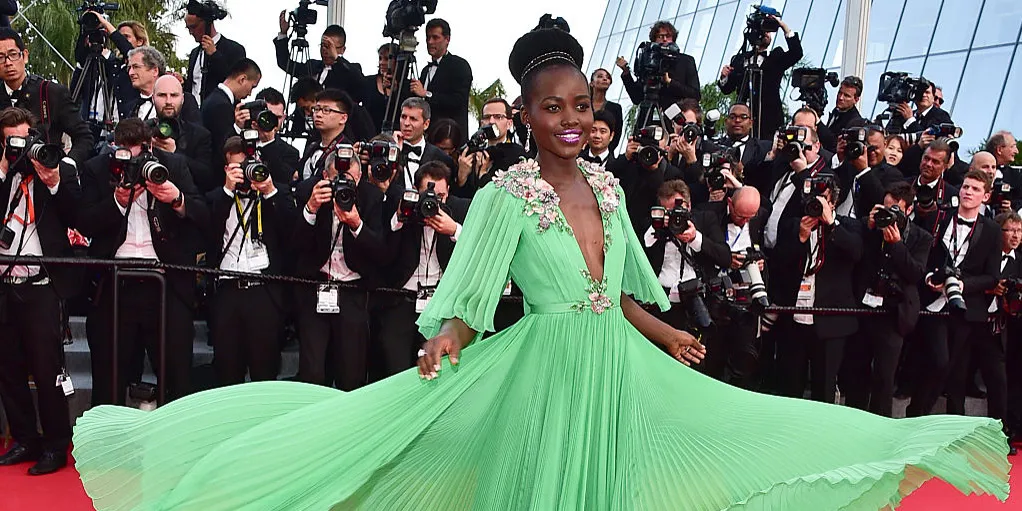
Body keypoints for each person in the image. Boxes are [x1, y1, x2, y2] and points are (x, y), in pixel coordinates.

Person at [71, 22, 1011, 510]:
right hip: (544, 365)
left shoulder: (607, 186)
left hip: (616, 358)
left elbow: (621, 289)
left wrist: (671, 328)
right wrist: (443, 336)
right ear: (526, 115)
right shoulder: (501, 194)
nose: (571, 118)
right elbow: (471, 296)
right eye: (553, 107)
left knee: (732, 443)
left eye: (581, 107)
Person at [78, 118, 208, 405]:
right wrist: (117, 201)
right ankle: (109, 441)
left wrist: (177, 199)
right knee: (109, 376)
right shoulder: (97, 169)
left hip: (167, 283)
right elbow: (84, 222)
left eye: (141, 157)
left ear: (150, 146)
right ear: (114, 148)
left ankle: (174, 442)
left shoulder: (172, 165)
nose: (134, 167)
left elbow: (203, 215)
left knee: (176, 376)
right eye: (126, 157)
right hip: (113, 285)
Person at [0, 107, 82, 476]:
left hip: (41, 286)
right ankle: (24, 439)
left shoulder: (58, 168)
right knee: (8, 368)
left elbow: (76, 215)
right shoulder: (2, 174)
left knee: (47, 370)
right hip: (4, 284)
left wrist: (50, 179)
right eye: (10, 140)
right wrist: (5, 169)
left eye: (24, 138)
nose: (20, 147)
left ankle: (54, 444)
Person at [908, 170, 1002, 418]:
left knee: (953, 370)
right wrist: (930, 278)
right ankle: (915, 414)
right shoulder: (937, 218)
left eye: (975, 189)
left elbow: (992, 276)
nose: (968, 192)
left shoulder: (992, 230)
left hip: (967, 309)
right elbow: (923, 257)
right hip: (933, 304)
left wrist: (963, 286)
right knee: (938, 361)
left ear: (986, 196)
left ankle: (925, 419)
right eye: (965, 187)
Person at [208, 136, 294, 386]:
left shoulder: (276, 195)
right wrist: (227, 191)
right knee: (226, 369)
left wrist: (268, 191)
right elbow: (206, 232)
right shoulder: (216, 197)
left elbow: (292, 232)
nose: (245, 175)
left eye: (249, 167)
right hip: (227, 290)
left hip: (264, 292)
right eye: (237, 168)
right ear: (226, 169)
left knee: (265, 370)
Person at [841, 182, 931, 417]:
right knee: (856, 371)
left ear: (908, 210)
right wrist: (868, 226)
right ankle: (852, 420)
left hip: (894, 314)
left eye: (895, 210)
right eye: (885, 208)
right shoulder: (869, 228)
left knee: (884, 376)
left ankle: (881, 425)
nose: (888, 215)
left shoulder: (922, 238)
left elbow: (915, 274)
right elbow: (855, 256)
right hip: (862, 310)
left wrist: (897, 245)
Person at [0, 28, 94, 167]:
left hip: (46, 177)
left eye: (13, 55)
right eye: (0, 57)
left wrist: (66, 165)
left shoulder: (51, 92)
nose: (8, 63)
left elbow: (84, 137)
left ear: (25, 56)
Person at [718, 13, 802, 139]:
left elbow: (796, 53)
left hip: (769, 120)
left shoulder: (776, 57)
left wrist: (783, 27)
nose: (768, 34)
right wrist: (724, 77)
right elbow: (727, 89)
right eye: (765, 31)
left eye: (769, 32)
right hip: (743, 120)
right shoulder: (740, 59)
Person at [275, 15, 364, 103]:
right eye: (323, 46)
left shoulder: (349, 71)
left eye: (330, 47)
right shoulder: (312, 65)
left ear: (342, 49)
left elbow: (361, 86)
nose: (325, 51)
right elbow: (285, 63)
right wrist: (283, 33)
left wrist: (336, 58)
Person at [616, 20, 700, 110]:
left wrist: (670, 82)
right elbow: (636, 98)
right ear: (654, 40)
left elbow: (695, 95)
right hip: (649, 115)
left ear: (673, 38)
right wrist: (626, 73)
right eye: (660, 36)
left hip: (675, 117)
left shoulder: (686, 61)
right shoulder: (648, 62)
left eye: (668, 36)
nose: (664, 39)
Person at [411, 18, 472, 136]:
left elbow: (458, 100)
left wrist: (426, 94)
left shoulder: (460, 65)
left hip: (451, 136)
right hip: (427, 136)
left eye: (435, 37)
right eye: (428, 38)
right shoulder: (425, 71)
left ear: (447, 39)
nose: (430, 42)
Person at [183, 0, 246, 105]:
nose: (191, 32)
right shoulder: (194, 53)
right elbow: (194, 87)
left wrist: (214, 55)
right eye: (188, 28)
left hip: (219, 114)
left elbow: (235, 84)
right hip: (194, 116)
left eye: (194, 27)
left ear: (207, 23)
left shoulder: (234, 49)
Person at [588, 68, 622, 154]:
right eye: (600, 76)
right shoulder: (583, 106)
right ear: (592, 83)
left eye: (607, 77)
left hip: (604, 156)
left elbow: (616, 135)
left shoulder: (615, 108)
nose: (605, 79)